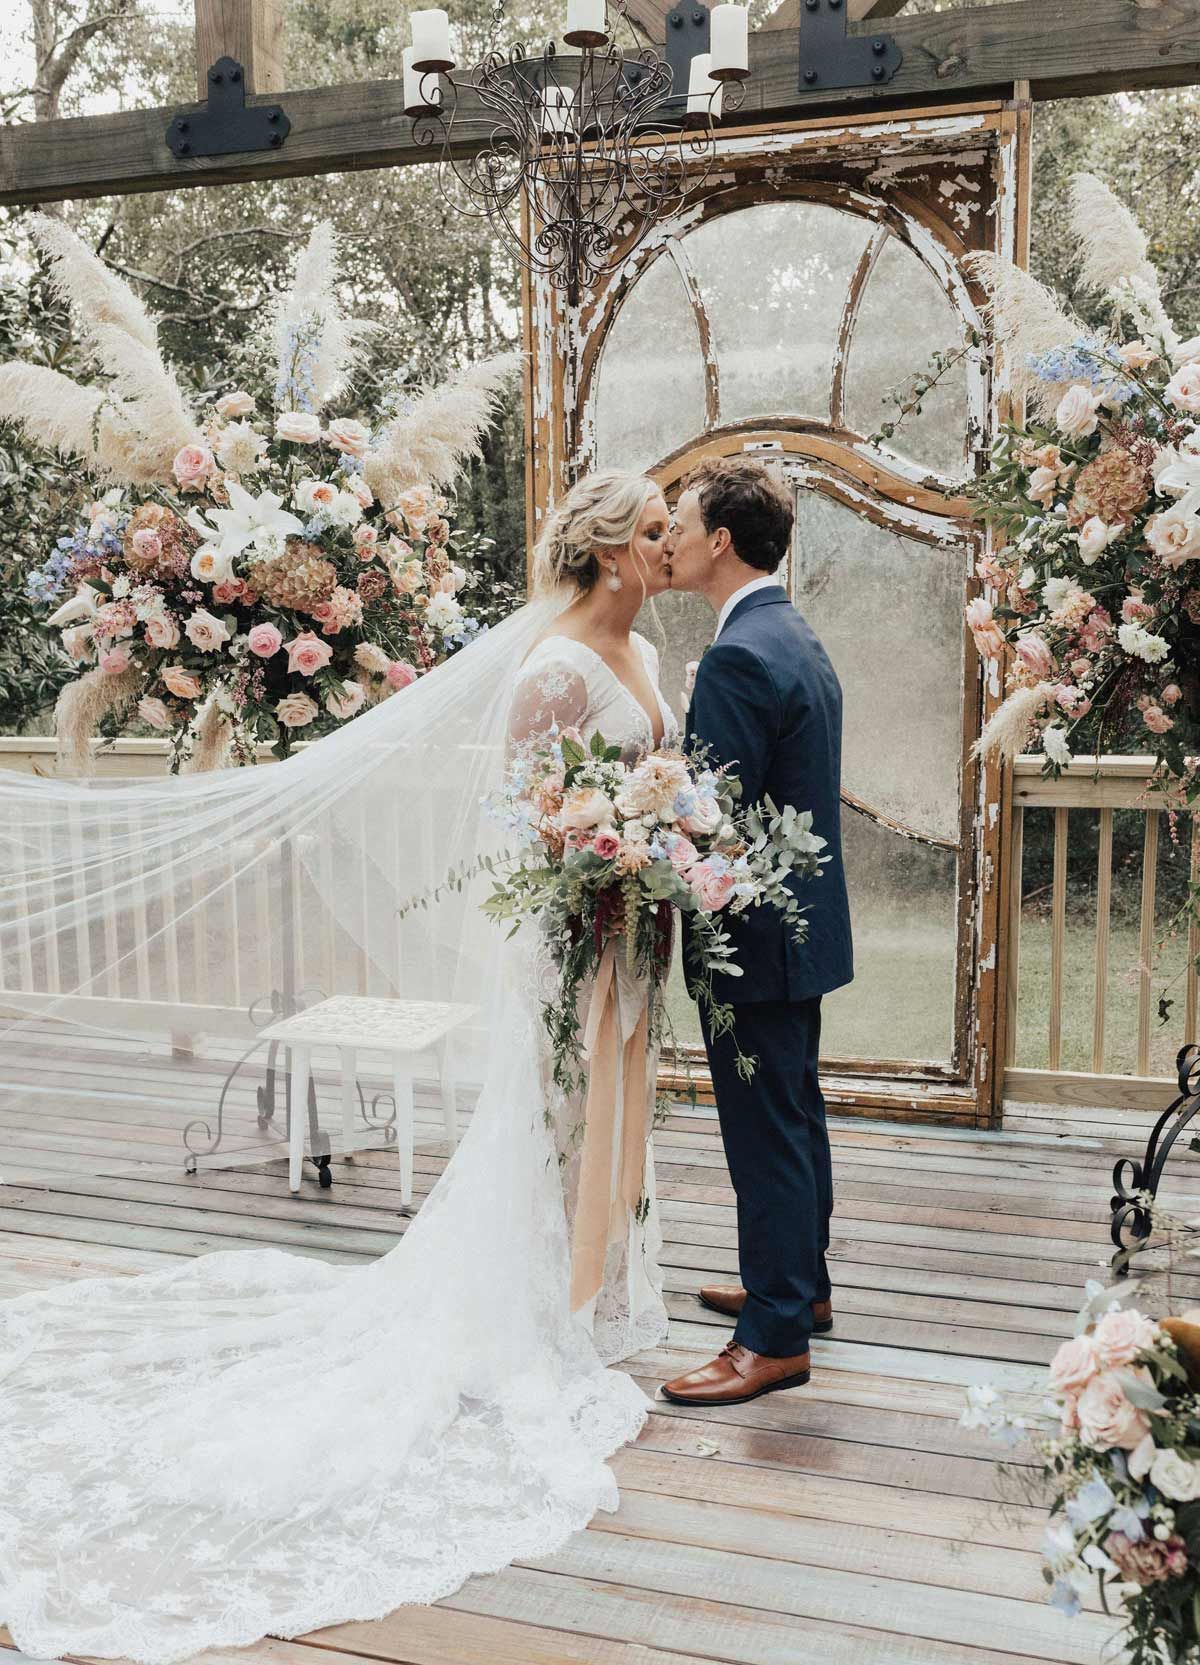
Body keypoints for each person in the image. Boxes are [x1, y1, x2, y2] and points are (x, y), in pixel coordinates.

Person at [0, 470, 674, 1665]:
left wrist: (663, 848)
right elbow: (515, 823)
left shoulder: (650, 654)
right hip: (564, 934)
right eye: (660, 531)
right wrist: (595, 864)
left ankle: (590, 1292)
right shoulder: (554, 667)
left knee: (605, 1117)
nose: (676, 546)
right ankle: (533, 1305)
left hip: (631, 927)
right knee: (548, 1117)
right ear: (614, 550)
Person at [660, 455, 853, 1407]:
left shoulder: (740, 654)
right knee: (795, 1114)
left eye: (680, 523)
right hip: (800, 928)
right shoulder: (793, 634)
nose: (670, 538)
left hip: (754, 934)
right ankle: (798, 1285)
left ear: (721, 539)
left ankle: (773, 1336)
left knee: (767, 1130)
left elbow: (711, 817)